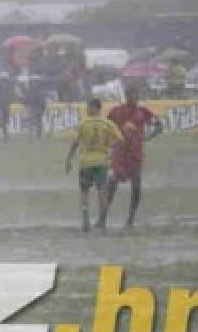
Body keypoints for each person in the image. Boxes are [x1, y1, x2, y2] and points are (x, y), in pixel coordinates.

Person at [104, 86, 163, 230]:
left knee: (136, 188)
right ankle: (102, 217)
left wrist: (147, 137)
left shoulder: (143, 111)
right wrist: (110, 142)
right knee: (112, 185)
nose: (133, 98)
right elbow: (105, 127)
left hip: (135, 155)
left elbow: (159, 125)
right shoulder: (116, 111)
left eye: (135, 95)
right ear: (126, 95)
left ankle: (130, 220)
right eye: (130, 95)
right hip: (120, 154)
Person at [65, 98, 123, 233]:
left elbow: (75, 143)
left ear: (96, 108)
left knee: (85, 191)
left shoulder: (83, 124)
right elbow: (120, 141)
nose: (87, 109)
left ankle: (87, 220)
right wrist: (110, 150)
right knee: (102, 191)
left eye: (89, 107)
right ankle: (101, 221)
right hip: (102, 162)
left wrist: (68, 159)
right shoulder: (108, 124)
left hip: (86, 163)